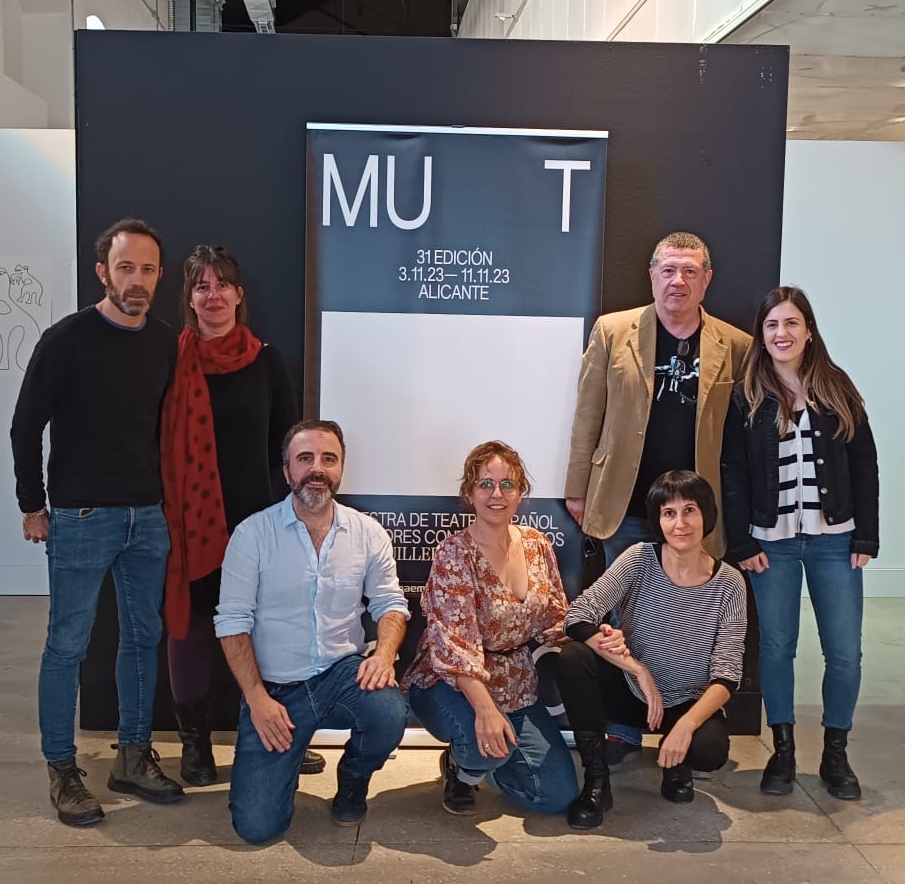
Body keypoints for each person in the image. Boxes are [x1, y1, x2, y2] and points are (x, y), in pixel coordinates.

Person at [10, 218, 184, 827]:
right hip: (80, 518)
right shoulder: (66, 340)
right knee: (67, 645)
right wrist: (34, 505)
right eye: (126, 267)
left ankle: (133, 756)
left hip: (149, 517)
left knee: (143, 637)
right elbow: (25, 424)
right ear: (102, 271)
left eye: (148, 270)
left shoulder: (166, 341)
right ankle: (62, 768)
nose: (137, 281)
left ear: (160, 277)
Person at [564, 230, 751, 767]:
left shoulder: (735, 346)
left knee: (687, 619)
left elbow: (739, 440)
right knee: (622, 616)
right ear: (652, 275)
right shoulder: (613, 331)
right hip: (625, 502)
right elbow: (587, 415)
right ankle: (625, 721)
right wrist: (578, 485)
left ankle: (680, 717)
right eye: (669, 269)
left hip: (692, 511)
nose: (678, 280)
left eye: (690, 271)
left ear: (707, 279)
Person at [160, 244, 324, 786]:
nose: (213, 295)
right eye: (201, 286)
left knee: (271, 627)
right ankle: (196, 746)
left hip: (259, 522)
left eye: (222, 284)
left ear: (239, 295)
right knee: (195, 629)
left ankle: (284, 734)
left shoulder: (267, 361)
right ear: (189, 298)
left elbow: (289, 447)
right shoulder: (170, 360)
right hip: (190, 523)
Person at [214, 419, 410, 843]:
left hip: (341, 674)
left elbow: (391, 603)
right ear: (287, 471)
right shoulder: (252, 535)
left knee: (390, 711)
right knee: (257, 827)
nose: (317, 469)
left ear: (340, 469)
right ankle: (286, 758)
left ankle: (354, 779)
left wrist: (384, 655)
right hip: (277, 690)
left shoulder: (367, 532)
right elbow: (231, 622)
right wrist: (256, 700)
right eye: (305, 459)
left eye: (328, 459)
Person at [721, 286, 879, 801]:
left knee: (845, 653)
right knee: (777, 647)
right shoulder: (747, 395)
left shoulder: (838, 388)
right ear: (761, 335)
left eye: (791, 324)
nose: (782, 334)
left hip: (836, 542)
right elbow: (734, 473)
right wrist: (743, 541)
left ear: (808, 331)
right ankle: (782, 750)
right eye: (772, 325)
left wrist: (868, 533)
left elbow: (864, 465)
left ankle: (836, 753)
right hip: (774, 543)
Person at [556, 471, 747, 829]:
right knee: (572, 659)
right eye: (669, 513)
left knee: (708, 751)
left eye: (689, 510)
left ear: (706, 515)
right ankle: (597, 782)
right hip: (632, 693)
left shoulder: (729, 582)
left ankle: (677, 765)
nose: (680, 523)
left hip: (685, 698)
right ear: (658, 521)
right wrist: (636, 668)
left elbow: (728, 672)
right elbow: (577, 616)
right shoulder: (640, 558)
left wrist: (687, 725)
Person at [403, 441, 582, 817]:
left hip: (517, 683)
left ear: (521, 493)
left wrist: (598, 637)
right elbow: (455, 648)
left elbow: (555, 619)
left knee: (555, 796)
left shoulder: (537, 544)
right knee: (478, 741)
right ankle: (464, 769)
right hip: (450, 683)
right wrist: (485, 712)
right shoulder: (455, 553)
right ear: (470, 493)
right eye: (485, 484)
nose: (496, 494)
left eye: (507, 484)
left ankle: (495, 758)